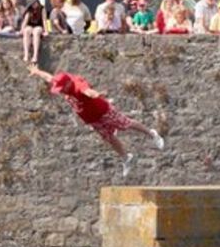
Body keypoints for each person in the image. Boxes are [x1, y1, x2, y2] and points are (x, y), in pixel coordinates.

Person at [28, 65, 165, 177]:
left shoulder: (78, 85)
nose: (61, 91)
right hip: (92, 118)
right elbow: (49, 77)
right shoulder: (61, 81)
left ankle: (152, 134)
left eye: (62, 89)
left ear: (68, 83)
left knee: (125, 124)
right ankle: (126, 157)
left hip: (103, 111)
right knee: (109, 137)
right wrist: (37, 71)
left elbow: (88, 91)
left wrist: (96, 94)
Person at [21, 0, 46, 64]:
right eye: (32, 4)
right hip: (30, 25)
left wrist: (46, 31)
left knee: (36, 32)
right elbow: (25, 21)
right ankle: (26, 55)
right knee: (26, 31)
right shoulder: (29, 10)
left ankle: (35, 56)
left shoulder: (42, 8)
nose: (34, 5)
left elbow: (44, 20)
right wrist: (22, 30)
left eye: (35, 3)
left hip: (38, 25)